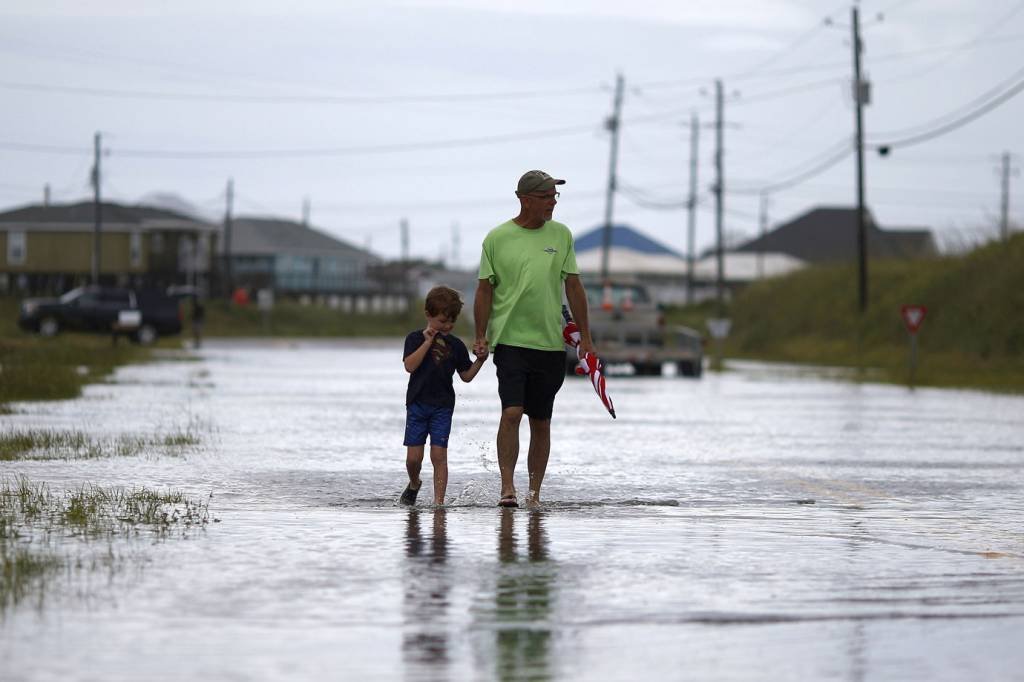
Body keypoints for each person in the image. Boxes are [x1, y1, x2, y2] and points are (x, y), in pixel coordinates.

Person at [473, 170, 595, 508]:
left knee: (541, 420)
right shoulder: (497, 238)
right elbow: (484, 290)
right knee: (512, 412)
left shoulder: (562, 235)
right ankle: (507, 488)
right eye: (546, 197)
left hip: (550, 344)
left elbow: (573, 286)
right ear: (525, 199)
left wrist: (585, 337)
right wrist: (480, 335)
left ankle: (534, 494)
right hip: (511, 340)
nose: (553, 202)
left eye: (555, 197)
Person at [401, 285, 488, 506]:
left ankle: (438, 504)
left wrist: (480, 360)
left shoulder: (456, 346)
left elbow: (466, 376)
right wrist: (427, 342)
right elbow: (410, 366)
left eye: (451, 321)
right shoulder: (414, 339)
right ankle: (414, 483)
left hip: (443, 407)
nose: (447, 326)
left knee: (439, 456)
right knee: (413, 459)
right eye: (442, 321)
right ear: (428, 315)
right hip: (417, 404)